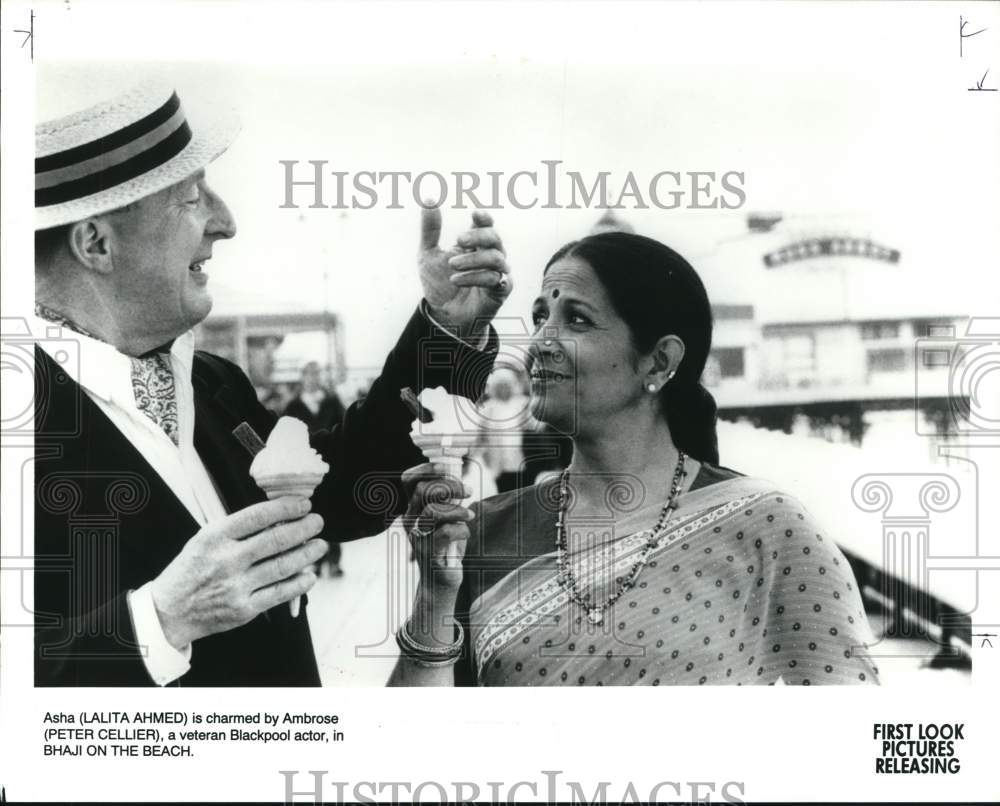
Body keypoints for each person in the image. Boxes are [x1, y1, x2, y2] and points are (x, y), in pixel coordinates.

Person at [32, 75, 511, 686]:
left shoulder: (214, 382)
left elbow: (341, 493)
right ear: (96, 242)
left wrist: (446, 330)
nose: (224, 223)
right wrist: (158, 623)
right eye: (190, 198)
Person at [390, 232, 880, 686]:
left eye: (576, 319)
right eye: (541, 317)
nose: (539, 342)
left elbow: (850, 737)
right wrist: (434, 595)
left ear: (659, 361)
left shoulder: (768, 528)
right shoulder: (484, 531)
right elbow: (409, 745)